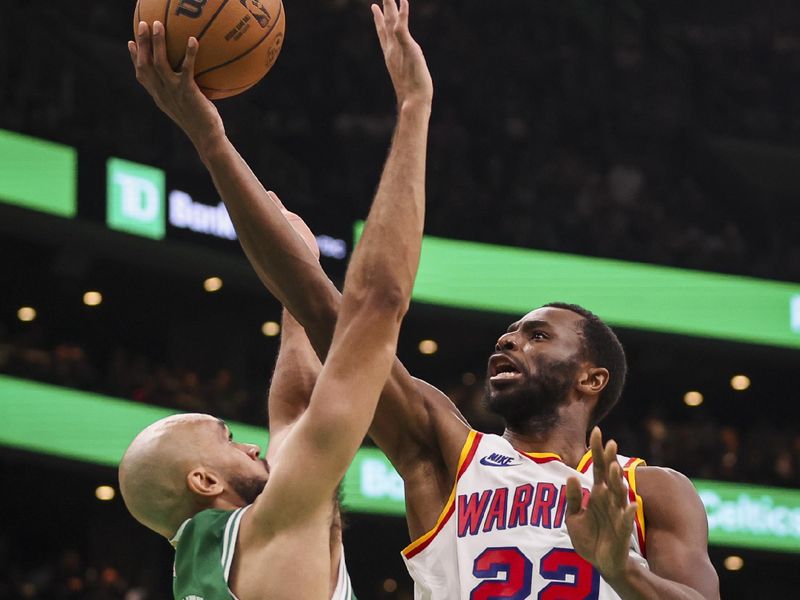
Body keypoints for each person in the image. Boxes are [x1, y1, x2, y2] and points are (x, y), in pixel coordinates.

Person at [129, 0, 720, 596]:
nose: (508, 340)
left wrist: (623, 570)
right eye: (510, 332)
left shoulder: (651, 492)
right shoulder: (445, 454)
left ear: (592, 378)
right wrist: (217, 147)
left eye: (538, 335)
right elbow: (329, 311)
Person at [118, 0, 434, 597]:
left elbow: (294, 410)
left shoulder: (220, 560)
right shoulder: (277, 523)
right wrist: (415, 107)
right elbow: (378, 303)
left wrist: (299, 285)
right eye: (230, 440)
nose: (255, 441)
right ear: (205, 479)